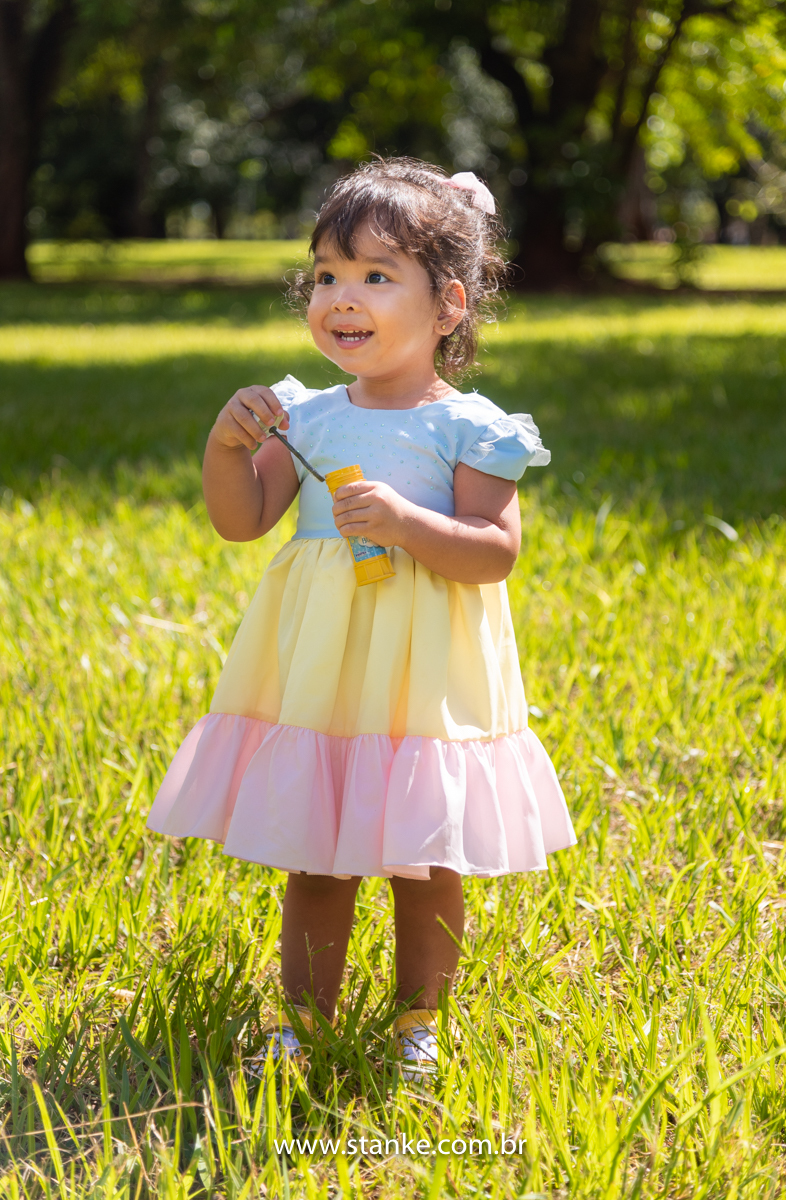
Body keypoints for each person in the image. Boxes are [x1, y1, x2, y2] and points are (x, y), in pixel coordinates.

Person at [146, 157, 576, 1082]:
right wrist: (228, 446)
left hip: (422, 675)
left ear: (449, 305)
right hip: (326, 670)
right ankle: (300, 1021)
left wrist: (407, 522)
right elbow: (241, 520)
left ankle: (417, 1023)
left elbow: (492, 551)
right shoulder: (304, 416)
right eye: (328, 275)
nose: (343, 296)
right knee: (319, 852)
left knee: (424, 858)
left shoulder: (473, 427)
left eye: (376, 276)